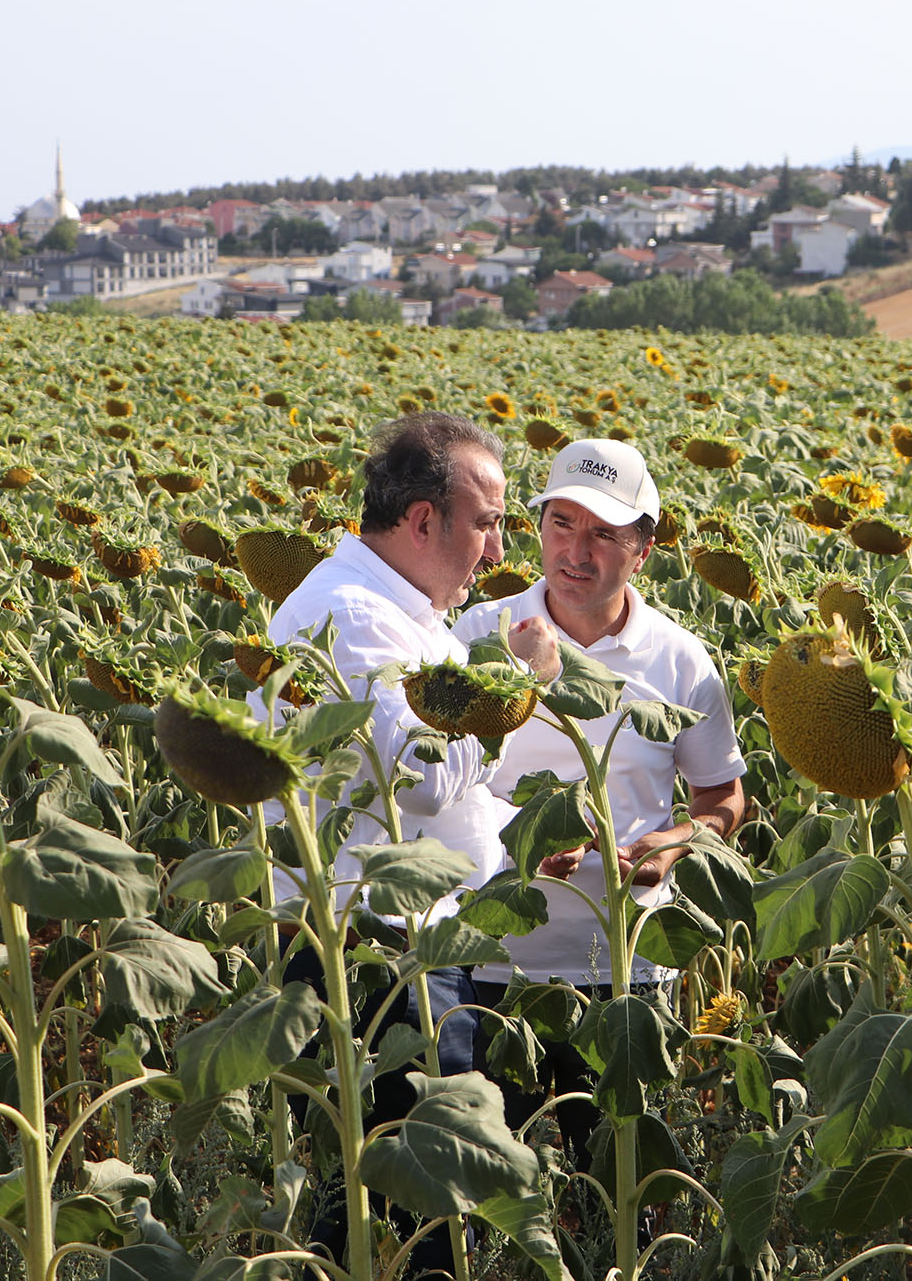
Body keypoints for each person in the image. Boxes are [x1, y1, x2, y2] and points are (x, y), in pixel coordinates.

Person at [265, 411, 558, 1277]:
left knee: (389, 1193)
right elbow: (421, 776)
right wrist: (522, 685)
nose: (499, 547)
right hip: (378, 952)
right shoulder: (351, 615)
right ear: (423, 520)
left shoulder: (403, 608)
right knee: (412, 1202)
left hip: (411, 943)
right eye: (487, 521)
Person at [453, 437, 747, 1171]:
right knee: (492, 1189)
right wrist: (512, 845)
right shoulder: (475, 637)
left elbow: (723, 798)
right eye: (561, 524)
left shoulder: (680, 660)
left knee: (621, 1184)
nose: (575, 551)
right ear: (537, 526)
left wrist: (673, 842)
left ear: (642, 548)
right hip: (494, 966)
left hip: (627, 972)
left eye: (604, 535)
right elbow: (439, 784)